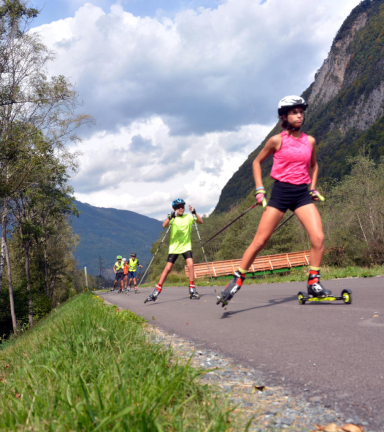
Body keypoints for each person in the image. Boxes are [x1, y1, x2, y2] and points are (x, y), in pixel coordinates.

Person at [217, 95, 330, 306]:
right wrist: (260, 191)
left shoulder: (310, 141)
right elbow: (257, 162)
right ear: (284, 116)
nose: (299, 115)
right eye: (294, 112)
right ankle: (236, 280)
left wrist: (313, 187)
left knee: (318, 237)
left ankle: (313, 282)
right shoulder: (277, 140)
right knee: (260, 242)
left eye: (301, 112)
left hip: (302, 195)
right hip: (280, 193)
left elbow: (314, 166)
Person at [145, 198, 203, 303]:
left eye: (183, 207)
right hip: (174, 247)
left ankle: (192, 288)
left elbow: (200, 222)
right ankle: (157, 290)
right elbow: (164, 225)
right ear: (175, 209)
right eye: (179, 207)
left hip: (186, 246)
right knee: (168, 268)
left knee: (190, 264)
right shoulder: (173, 218)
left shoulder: (189, 217)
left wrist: (195, 213)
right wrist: (171, 216)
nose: (181, 208)